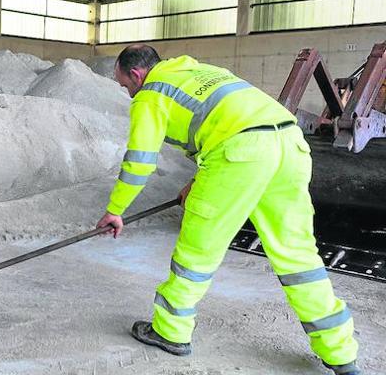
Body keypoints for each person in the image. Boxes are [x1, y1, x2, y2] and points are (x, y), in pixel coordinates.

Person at [95, 44, 360, 375]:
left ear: (137, 75)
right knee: (298, 256)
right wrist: (200, 177)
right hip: (290, 145)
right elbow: (222, 121)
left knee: (198, 250)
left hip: (240, 155)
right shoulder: (199, 71)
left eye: (125, 85)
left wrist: (115, 209)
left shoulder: (150, 94)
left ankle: (170, 330)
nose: (128, 93)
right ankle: (341, 353)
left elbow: (139, 162)